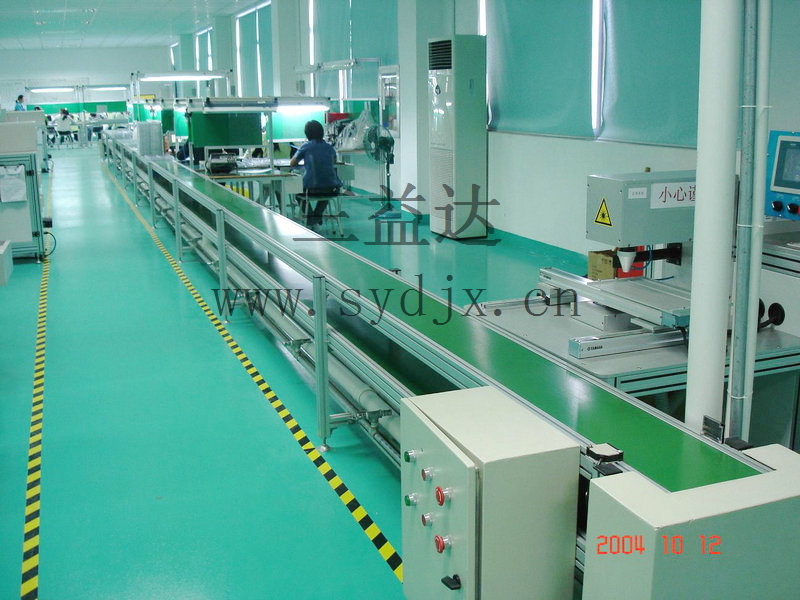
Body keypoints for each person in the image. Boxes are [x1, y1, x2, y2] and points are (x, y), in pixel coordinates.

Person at [289, 120, 341, 228]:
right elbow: (334, 161)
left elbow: (292, 163)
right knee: (326, 194)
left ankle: (312, 218)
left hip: (311, 189)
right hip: (332, 189)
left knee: (298, 194)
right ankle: (317, 216)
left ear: (307, 134)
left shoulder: (306, 146)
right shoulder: (329, 147)